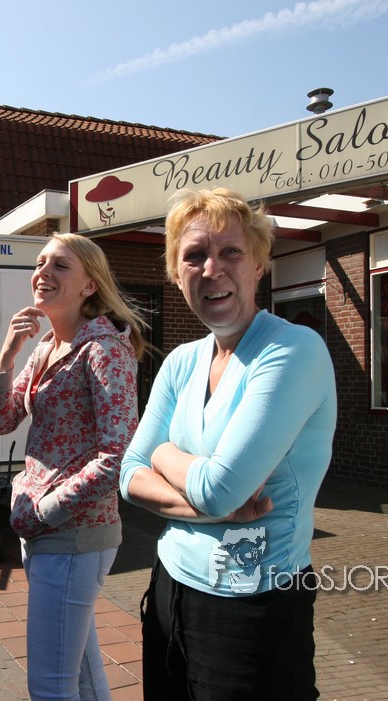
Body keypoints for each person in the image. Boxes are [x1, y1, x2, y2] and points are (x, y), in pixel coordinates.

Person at [119, 188, 337, 700]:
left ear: (259, 264)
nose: (212, 269)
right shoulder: (180, 361)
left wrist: (162, 454)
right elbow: (129, 475)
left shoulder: (292, 349)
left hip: (254, 604)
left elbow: (218, 488)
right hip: (170, 586)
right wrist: (212, 506)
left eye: (231, 252)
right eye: (194, 255)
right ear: (177, 275)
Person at [0, 232, 146, 701]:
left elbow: (119, 455)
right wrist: (7, 356)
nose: (43, 273)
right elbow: (0, 421)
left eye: (60, 265)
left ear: (89, 285)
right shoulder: (47, 347)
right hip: (46, 532)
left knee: (51, 687)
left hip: (74, 535)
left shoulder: (104, 350)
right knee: (83, 678)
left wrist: (45, 510)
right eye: (41, 263)